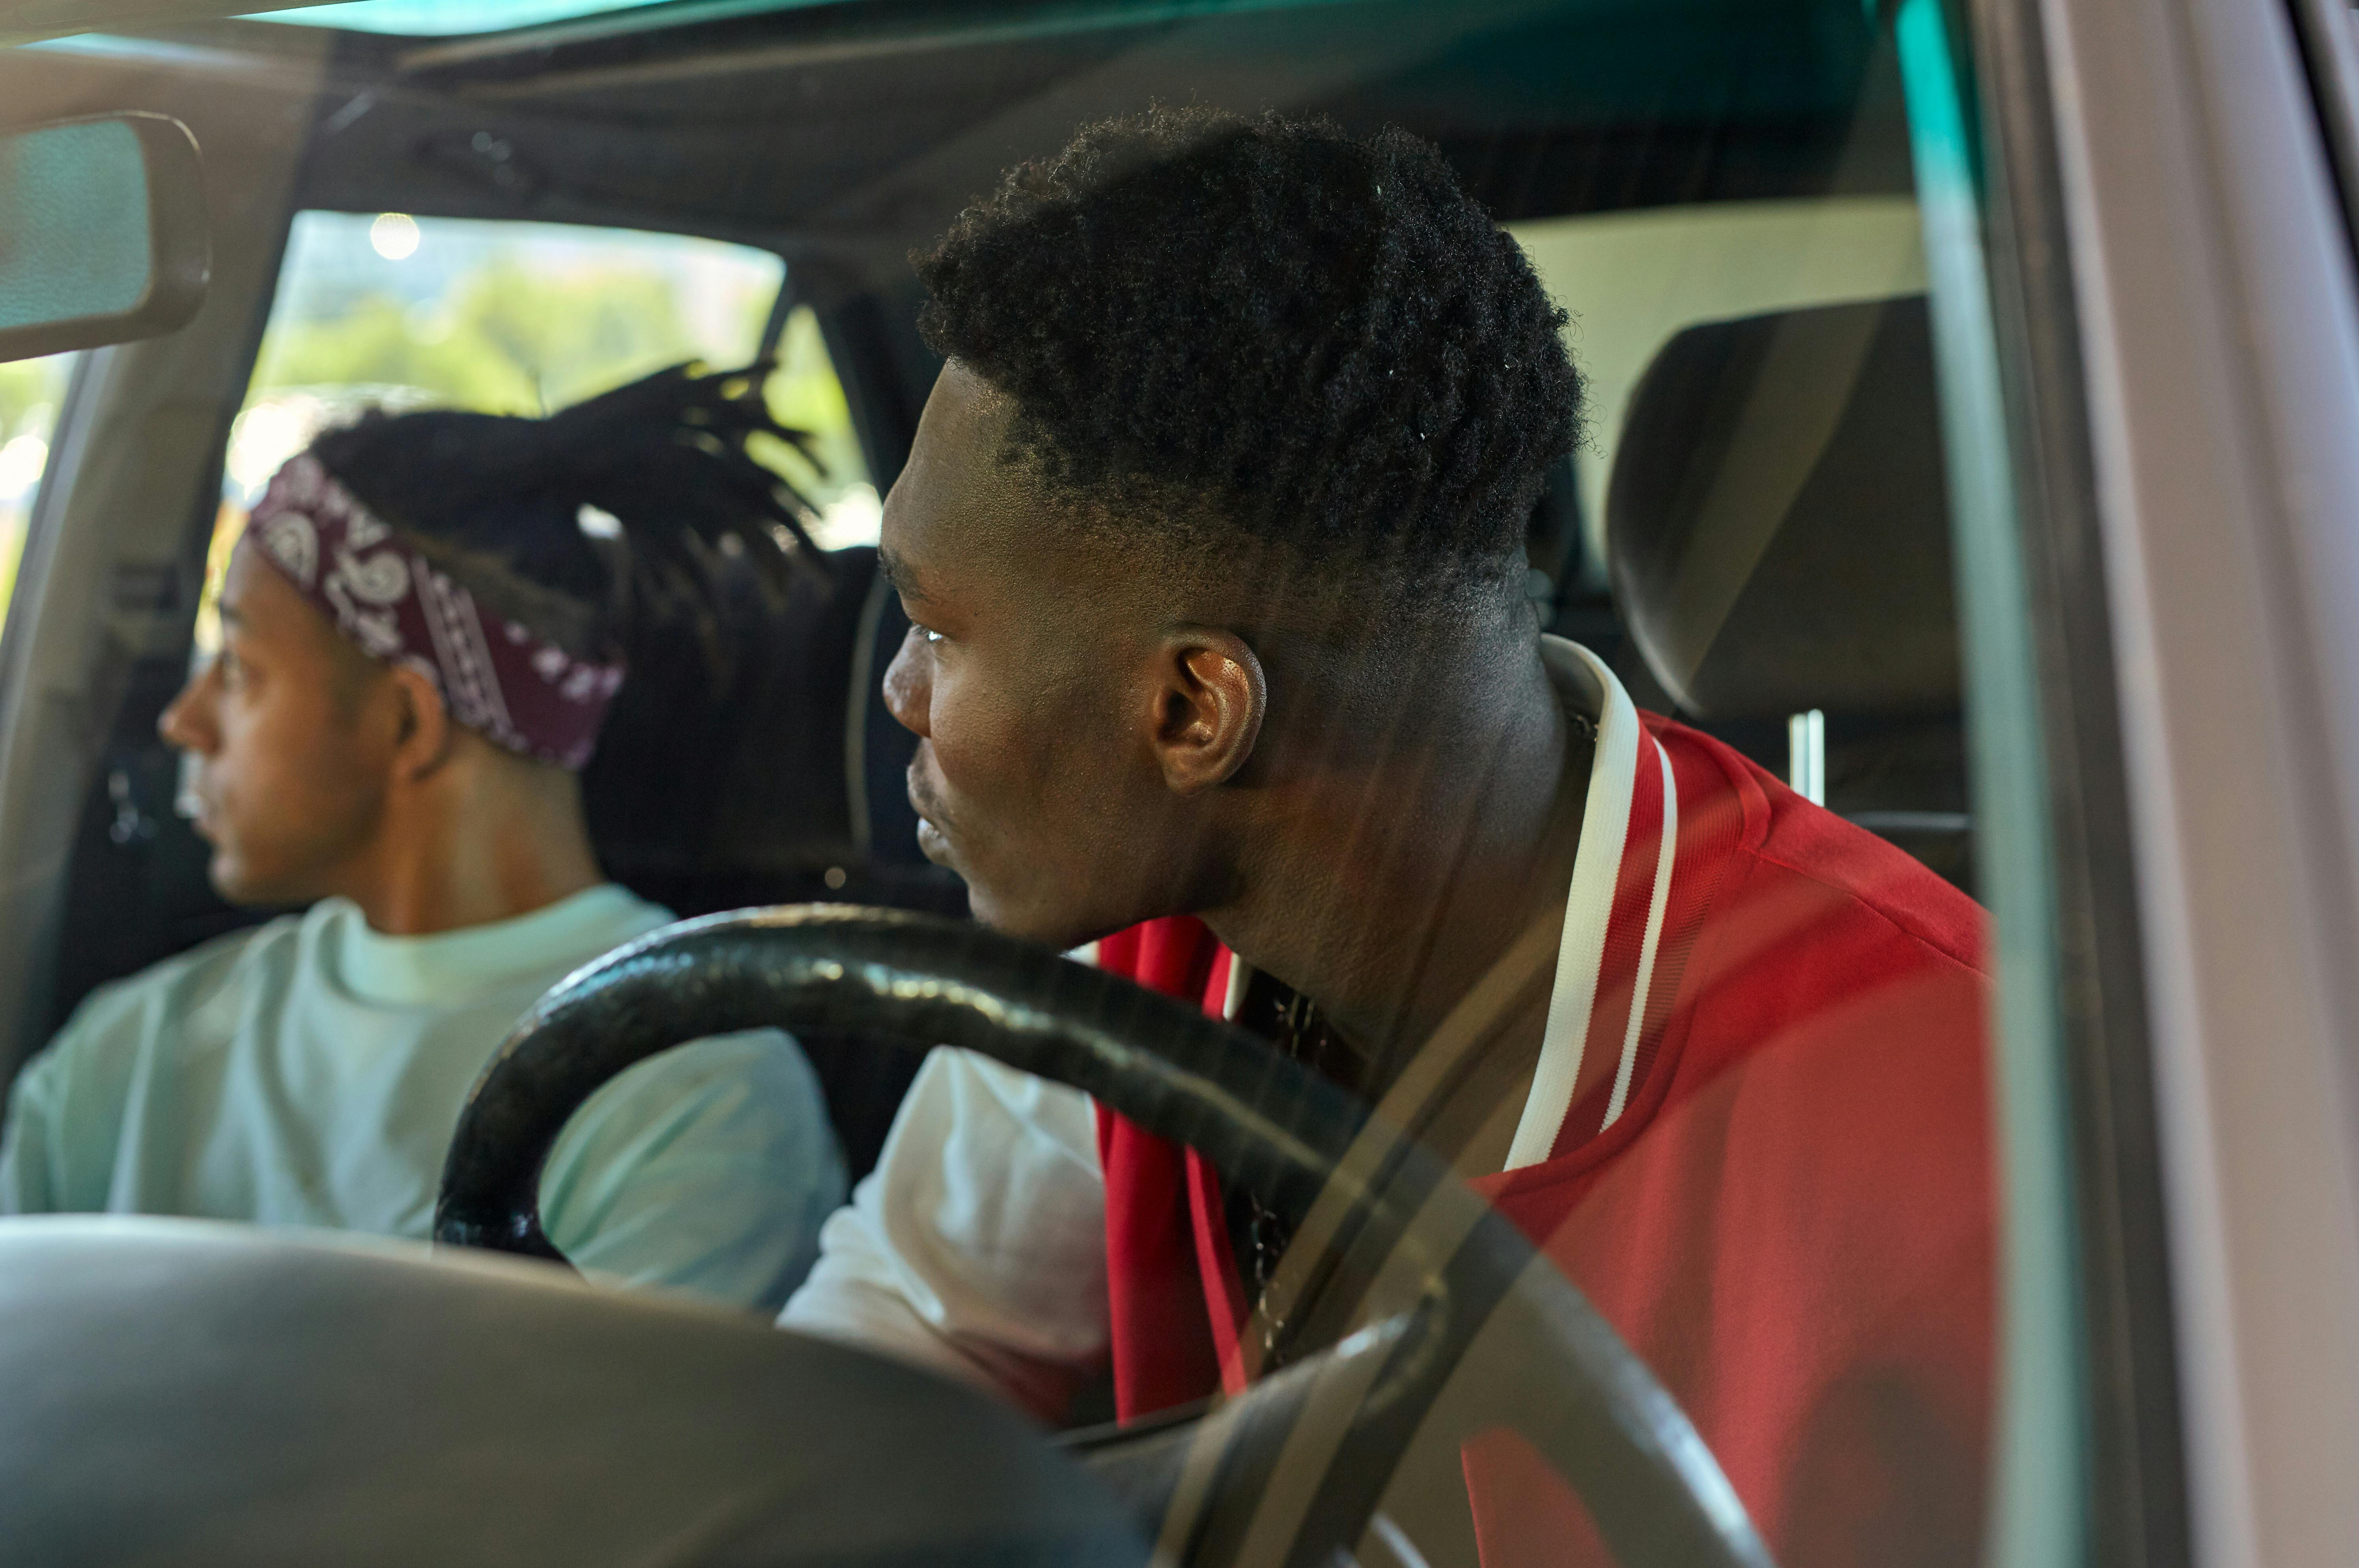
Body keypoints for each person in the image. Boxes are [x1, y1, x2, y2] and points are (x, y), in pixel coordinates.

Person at [777, 108, 1993, 1567]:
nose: (895, 695)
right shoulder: (1122, 975)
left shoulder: (1954, 1098)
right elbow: (887, 1353)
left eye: (930, 628)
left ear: (1192, 707)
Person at [0, 365, 848, 1316]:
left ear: (408, 724)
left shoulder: (693, 1095)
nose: (184, 722)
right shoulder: (122, 1053)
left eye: (238, 666)